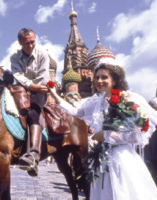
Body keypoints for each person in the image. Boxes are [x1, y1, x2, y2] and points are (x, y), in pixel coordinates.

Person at [48, 62, 157, 199]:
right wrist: (53, 94)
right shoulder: (96, 101)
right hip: (101, 159)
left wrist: (106, 135)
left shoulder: (128, 99)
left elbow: (135, 134)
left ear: (115, 80)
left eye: (104, 77)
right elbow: (76, 111)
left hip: (121, 158)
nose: (99, 81)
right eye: (97, 77)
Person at [10, 28, 50, 176]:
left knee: (33, 112)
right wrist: (27, 86)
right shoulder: (14, 57)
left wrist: (33, 87)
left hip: (40, 88)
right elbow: (17, 75)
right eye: (27, 43)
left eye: (32, 42)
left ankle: (33, 154)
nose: (31, 45)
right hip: (22, 87)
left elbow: (43, 76)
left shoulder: (43, 54)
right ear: (20, 43)